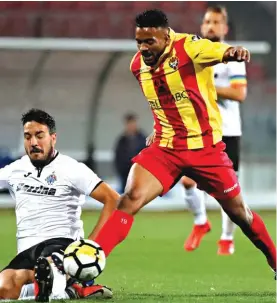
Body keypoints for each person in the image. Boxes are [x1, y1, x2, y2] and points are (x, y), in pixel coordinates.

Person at [92, 9, 276, 277]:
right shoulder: (137, 66)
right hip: (166, 149)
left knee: (239, 214)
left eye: (149, 42)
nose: (143, 48)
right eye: (139, 42)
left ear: (166, 37)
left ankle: (274, 260)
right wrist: (158, 129)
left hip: (206, 150)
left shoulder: (190, 48)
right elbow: (162, 100)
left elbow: (219, 52)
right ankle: (85, 270)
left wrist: (232, 52)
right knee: (129, 199)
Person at [0, 109, 117, 301]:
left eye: (40, 136)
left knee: (48, 269)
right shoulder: (15, 169)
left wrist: (92, 245)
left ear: (53, 138)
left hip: (61, 245)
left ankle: (59, 282)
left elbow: (112, 199)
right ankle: (71, 290)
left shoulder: (72, 169)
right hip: (27, 252)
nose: (33, 143)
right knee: (5, 288)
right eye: (27, 137)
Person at [182, 6, 248, 255]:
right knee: (187, 179)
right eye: (207, 21)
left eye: (216, 22)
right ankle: (201, 222)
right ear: (201, 26)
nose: (211, 26)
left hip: (227, 131)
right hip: (199, 129)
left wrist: (205, 87)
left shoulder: (232, 56)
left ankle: (227, 238)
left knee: (228, 190)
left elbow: (239, 92)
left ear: (225, 28)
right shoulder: (194, 55)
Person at [114, 113, 146, 193]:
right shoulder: (122, 140)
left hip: (141, 173)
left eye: (133, 123)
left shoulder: (143, 139)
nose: (131, 126)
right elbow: (118, 157)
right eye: (129, 124)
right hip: (125, 174)